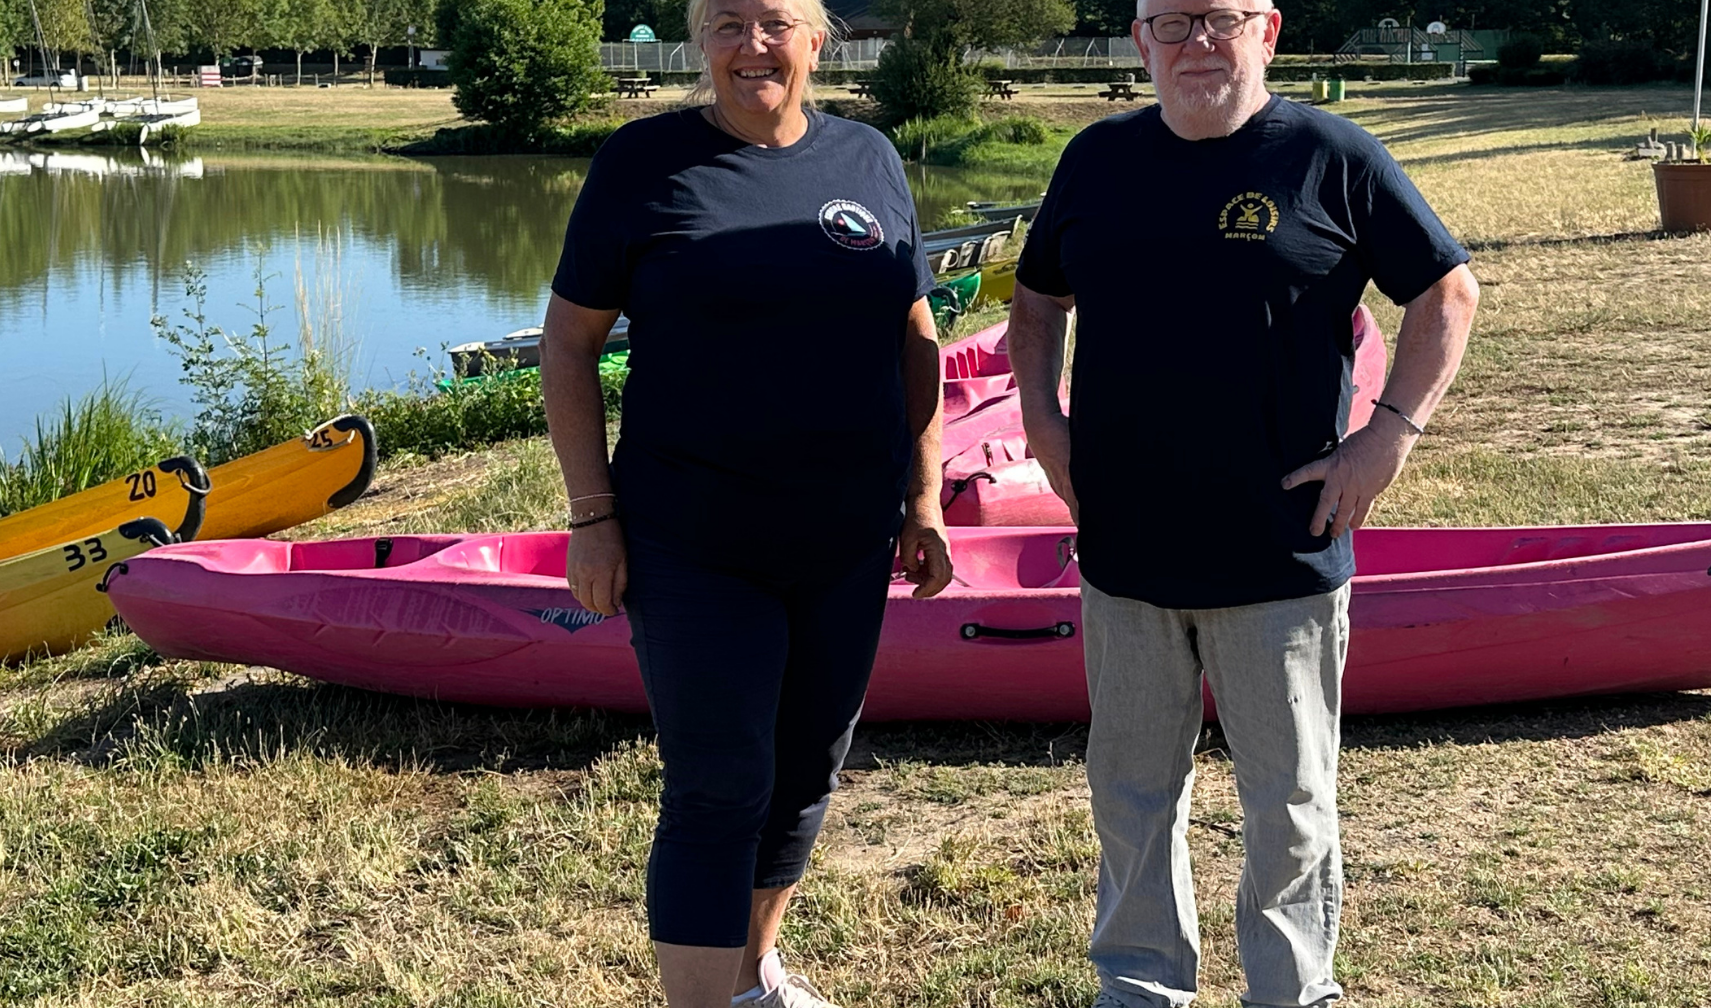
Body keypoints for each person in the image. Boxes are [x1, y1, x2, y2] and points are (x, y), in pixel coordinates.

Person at [1006, 1, 1480, 1005]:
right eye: (1170, 23)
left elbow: (1446, 292)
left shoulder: (1331, 157)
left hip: (1281, 550)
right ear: (1141, 41)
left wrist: (1389, 435)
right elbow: (1039, 297)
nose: (1197, 44)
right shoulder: (1096, 159)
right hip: (1126, 550)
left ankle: (1290, 991)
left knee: (1289, 804)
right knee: (1131, 795)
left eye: (1220, 19)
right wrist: (1043, 421)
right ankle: (1140, 988)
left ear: (1267, 31)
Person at [538, 0, 953, 1004]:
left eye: (773, 23)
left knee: (808, 770)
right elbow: (568, 343)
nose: (751, 46)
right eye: (726, 23)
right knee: (720, 782)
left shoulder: (868, 159)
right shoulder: (644, 164)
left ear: (817, 39)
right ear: (699, 42)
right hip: (693, 540)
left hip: (846, 538)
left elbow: (913, 335)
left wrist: (925, 495)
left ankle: (754, 973)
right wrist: (592, 516)